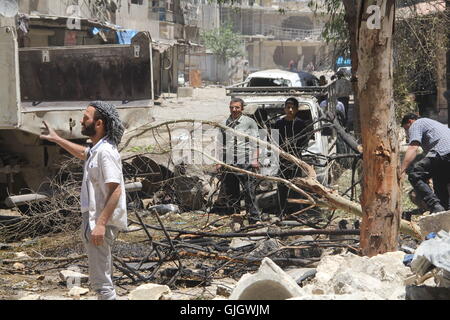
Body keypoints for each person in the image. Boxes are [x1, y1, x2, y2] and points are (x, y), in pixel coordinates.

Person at [40, 101, 126, 300]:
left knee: (101, 283)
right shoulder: (98, 149)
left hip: (100, 221)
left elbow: (116, 190)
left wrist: (100, 224)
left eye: (86, 117)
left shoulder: (105, 153)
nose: (81, 120)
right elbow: (83, 153)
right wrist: (56, 138)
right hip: (95, 220)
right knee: (102, 278)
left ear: (99, 123)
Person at [216, 98, 262, 224]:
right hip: (230, 161)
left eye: (237, 107)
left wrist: (254, 160)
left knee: (249, 190)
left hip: (245, 160)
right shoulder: (224, 123)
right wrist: (219, 161)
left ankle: (253, 218)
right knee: (231, 191)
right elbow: (220, 143)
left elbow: (256, 143)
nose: (234, 110)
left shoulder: (249, 122)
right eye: (232, 107)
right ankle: (236, 218)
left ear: (242, 108)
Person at [400, 113, 450, 213]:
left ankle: (435, 206)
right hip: (445, 156)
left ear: (410, 121)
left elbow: (413, 147)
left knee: (415, 174)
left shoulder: (417, 123)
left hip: (443, 151)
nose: (407, 132)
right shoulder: (432, 125)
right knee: (440, 185)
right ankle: (444, 212)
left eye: (406, 129)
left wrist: (402, 169)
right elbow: (430, 161)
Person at [273, 97, 309, 216]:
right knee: (282, 186)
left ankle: (297, 212)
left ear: (296, 109)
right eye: (287, 107)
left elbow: (304, 141)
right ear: (284, 109)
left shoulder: (300, 123)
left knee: (296, 186)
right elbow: (274, 140)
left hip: (296, 159)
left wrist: (295, 150)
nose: (290, 110)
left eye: (292, 108)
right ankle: (281, 211)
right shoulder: (279, 123)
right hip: (282, 160)